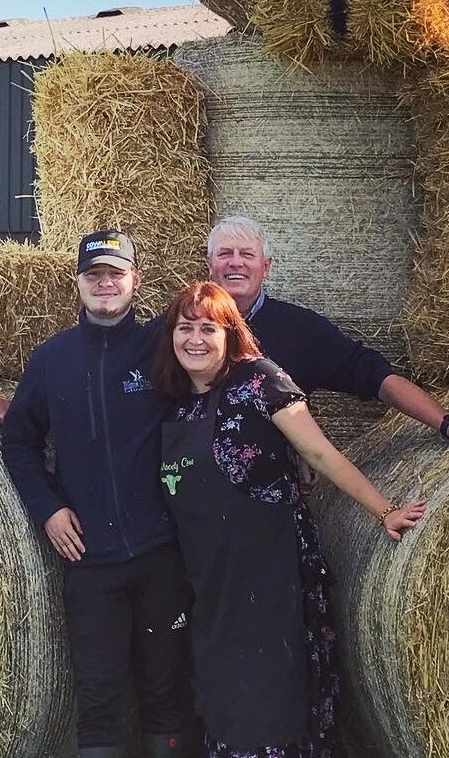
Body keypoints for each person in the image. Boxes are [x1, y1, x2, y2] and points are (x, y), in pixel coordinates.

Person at [152, 280, 425, 758]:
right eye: (185, 328)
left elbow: (319, 452)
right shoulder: (175, 400)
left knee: (273, 693)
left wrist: (384, 510)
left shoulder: (260, 379)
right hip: (209, 582)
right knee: (223, 694)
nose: (195, 339)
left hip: (271, 571)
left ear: (229, 333)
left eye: (208, 329)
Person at [1, 231, 192, 758]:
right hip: (91, 562)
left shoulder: (165, 346)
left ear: (137, 280)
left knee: (167, 690)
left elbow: (221, 391)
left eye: (115, 274)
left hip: (162, 553)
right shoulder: (51, 360)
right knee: (100, 697)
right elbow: (18, 441)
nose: (105, 284)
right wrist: (48, 509)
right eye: (94, 275)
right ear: (79, 283)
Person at [206, 215, 449, 443]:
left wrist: (447, 423)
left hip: (269, 501)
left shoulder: (299, 329)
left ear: (266, 267)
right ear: (210, 265)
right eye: (225, 254)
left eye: (247, 255)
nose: (236, 263)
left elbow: (371, 374)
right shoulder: (181, 332)